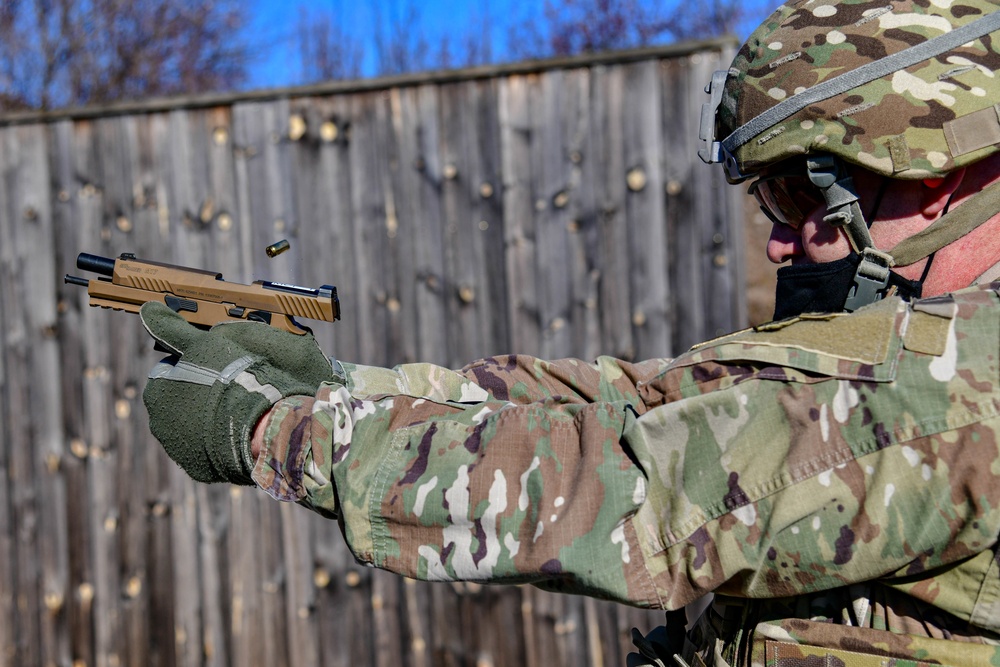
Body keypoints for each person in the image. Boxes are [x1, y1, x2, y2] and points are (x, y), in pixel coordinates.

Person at [139, 1, 1000, 664]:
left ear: (927, 175)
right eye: (770, 202)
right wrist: (340, 386)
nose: (780, 237)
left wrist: (271, 431)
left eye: (798, 195)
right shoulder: (920, 347)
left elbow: (643, 484)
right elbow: (645, 400)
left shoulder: (971, 380)